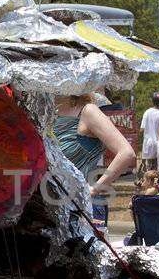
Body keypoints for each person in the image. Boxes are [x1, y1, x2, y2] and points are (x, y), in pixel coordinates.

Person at [53, 92, 136, 227]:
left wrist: (93, 189)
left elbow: (126, 153)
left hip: (82, 206)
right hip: (52, 204)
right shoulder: (46, 111)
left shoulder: (88, 111)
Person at [138, 92, 159, 179]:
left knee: (148, 168)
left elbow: (142, 129)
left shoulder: (147, 112)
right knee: (157, 166)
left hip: (148, 143)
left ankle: (148, 183)